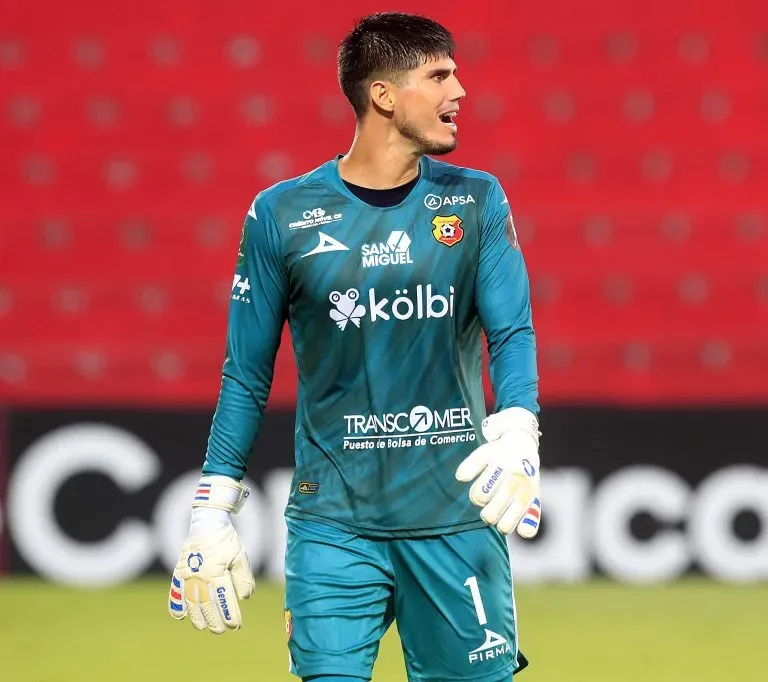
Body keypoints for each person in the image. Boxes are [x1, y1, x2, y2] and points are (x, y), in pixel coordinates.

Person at [167, 12, 541, 682]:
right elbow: (246, 374)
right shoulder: (280, 214)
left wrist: (518, 429)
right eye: (440, 76)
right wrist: (211, 510)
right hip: (334, 526)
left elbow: (511, 331)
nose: (460, 91)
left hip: (456, 519)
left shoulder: (477, 201)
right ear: (384, 95)